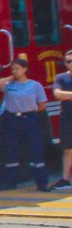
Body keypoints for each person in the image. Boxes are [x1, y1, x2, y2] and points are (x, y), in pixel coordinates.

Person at [0, 57, 50, 191]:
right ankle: (9, 182)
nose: (15, 71)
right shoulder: (8, 85)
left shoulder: (35, 85)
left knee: (35, 150)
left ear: (25, 69)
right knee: (11, 150)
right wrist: (11, 77)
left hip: (30, 118)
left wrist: (30, 111)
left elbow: (42, 105)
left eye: (18, 69)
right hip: (12, 119)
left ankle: (42, 183)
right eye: (13, 69)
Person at [52, 50, 72, 191]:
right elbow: (57, 94)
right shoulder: (60, 78)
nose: (70, 63)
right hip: (67, 116)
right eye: (68, 61)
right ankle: (65, 179)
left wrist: (67, 95)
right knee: (68, 149)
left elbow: (62, 94)